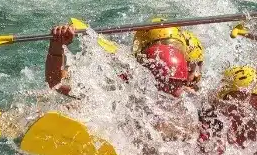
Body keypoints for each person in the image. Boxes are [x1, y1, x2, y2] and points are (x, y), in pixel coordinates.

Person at [44, 20, 204, 98]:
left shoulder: (196, 100)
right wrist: (57, 46)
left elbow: (56, 84)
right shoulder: (126, 86)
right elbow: (57, 83)